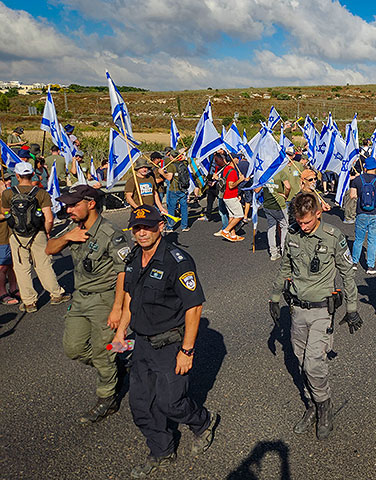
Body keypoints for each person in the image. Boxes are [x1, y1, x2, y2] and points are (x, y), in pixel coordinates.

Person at [111, 205, 215, 478]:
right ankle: (162, 451)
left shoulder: (177, 261)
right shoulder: (134, 258)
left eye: (148, 227)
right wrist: (121, 332)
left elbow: (194, 307)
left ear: (161, 227)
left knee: (171, 403)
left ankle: (203, 421)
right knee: (141, 405)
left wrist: (187, 350)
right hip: (142, 343)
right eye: (137, 227)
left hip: (170, 344)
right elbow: (131, 299)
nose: (142, 232)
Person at [269, 192, 362, 440]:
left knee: (314, 363)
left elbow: (347, 273)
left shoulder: (333, 237)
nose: (303, 226)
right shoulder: (293, 235)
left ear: (318, 214)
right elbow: (285, 267)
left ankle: (324, 406)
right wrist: (275, 297)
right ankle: (311, 403)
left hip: (322, 310)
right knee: (300, 362)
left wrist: (352, 308)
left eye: (308, 222)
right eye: (300, 222)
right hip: (298, 309)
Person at [45, 185, 129, 423]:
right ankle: (114, 367)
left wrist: (117, 308)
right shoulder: (74, 227)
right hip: (80, 296)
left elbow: (124, 272)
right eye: (67, 205)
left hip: (104, 298)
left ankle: (107, 399)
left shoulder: (111, 233)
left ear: (91, 204)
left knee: (103, 353)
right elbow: (49, 249)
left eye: (73, 205)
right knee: (73, 348)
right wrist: (66, 237)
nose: (68, 209)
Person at [1, 162, 70, 312]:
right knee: (44, 264)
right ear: (33, 174)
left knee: (21, 267)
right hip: (37, 233)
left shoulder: (8, 193)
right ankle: (56, 293)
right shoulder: (40, 193)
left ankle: (29, 302)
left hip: (16, 235)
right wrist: (46, 231)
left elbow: (5, 212)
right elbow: (49, 218)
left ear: (17, 176)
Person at [349, 156, 376, 274]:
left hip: (361, 212)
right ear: (375, 167)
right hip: (375, 213)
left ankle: (354, 262)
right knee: (372, 240)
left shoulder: (357, 180)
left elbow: (352, 196)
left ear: (365, 167)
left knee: (358, 239)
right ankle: (370, 266)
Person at [256, 169, 290, 260]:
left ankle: (273, 253)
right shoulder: (281, 171)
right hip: (279, 204)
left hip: (267, 205)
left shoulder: (265, 173)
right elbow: (288, 186)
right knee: (284, 227)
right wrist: (285, 195)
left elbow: (256, 190)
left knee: (271, 228)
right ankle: (284, 251)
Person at [213, 152, 246, 241]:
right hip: (230, 196)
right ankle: (226, 230)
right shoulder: (232, 171)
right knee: (240, 215)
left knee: (232, 216)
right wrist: (240, 180)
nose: (238, 160)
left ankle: (233, 234)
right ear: (233, 159)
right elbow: (231, 185)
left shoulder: (227, 168)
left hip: (227, 196)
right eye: (237, 158)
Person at [158, 150, 190, 232]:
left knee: (171, 208)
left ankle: (170, 227)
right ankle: (184, 226)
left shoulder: (171, 166)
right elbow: (185, 159)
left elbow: (169, 178)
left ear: (172, 157)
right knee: (184, 208)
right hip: (183, 189)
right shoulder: (184, 163)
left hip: (174, 189)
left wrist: (162, 173)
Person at [0, 172, 19, 305]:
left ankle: (14, 287)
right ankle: (2, 292)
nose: (8, 181)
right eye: (4, 179)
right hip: (2, 236)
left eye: (9, 179)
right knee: (3, 265)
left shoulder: (10, 193)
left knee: (14, 263)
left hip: (12, 233)